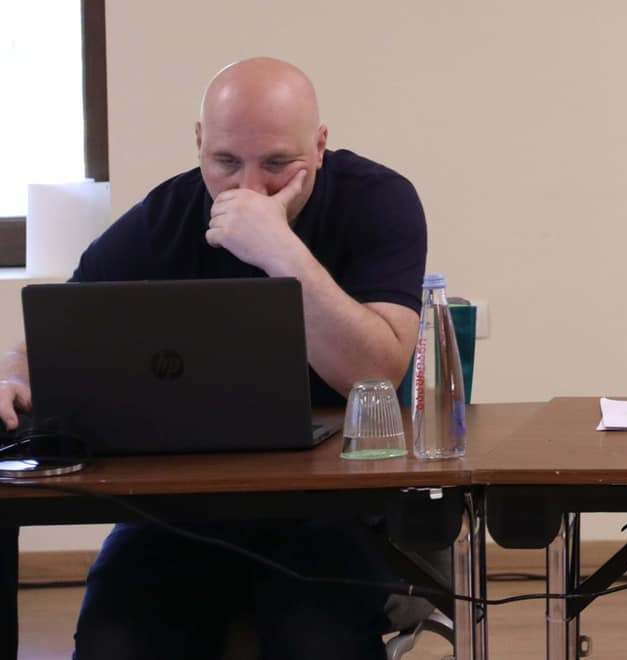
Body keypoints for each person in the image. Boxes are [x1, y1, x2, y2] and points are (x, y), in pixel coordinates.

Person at [0, 57, 428, 660]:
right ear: (200, 142)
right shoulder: (166, 215)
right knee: (115, 643)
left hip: (335, 508)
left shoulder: (378, 200)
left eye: (277, 164)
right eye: (226, 162)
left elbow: (375, 374)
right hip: (183, 510)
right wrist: (13, 373)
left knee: (316, 641)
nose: (249, 189)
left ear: (320, 146)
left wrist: (279, 250)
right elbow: (58, 332)